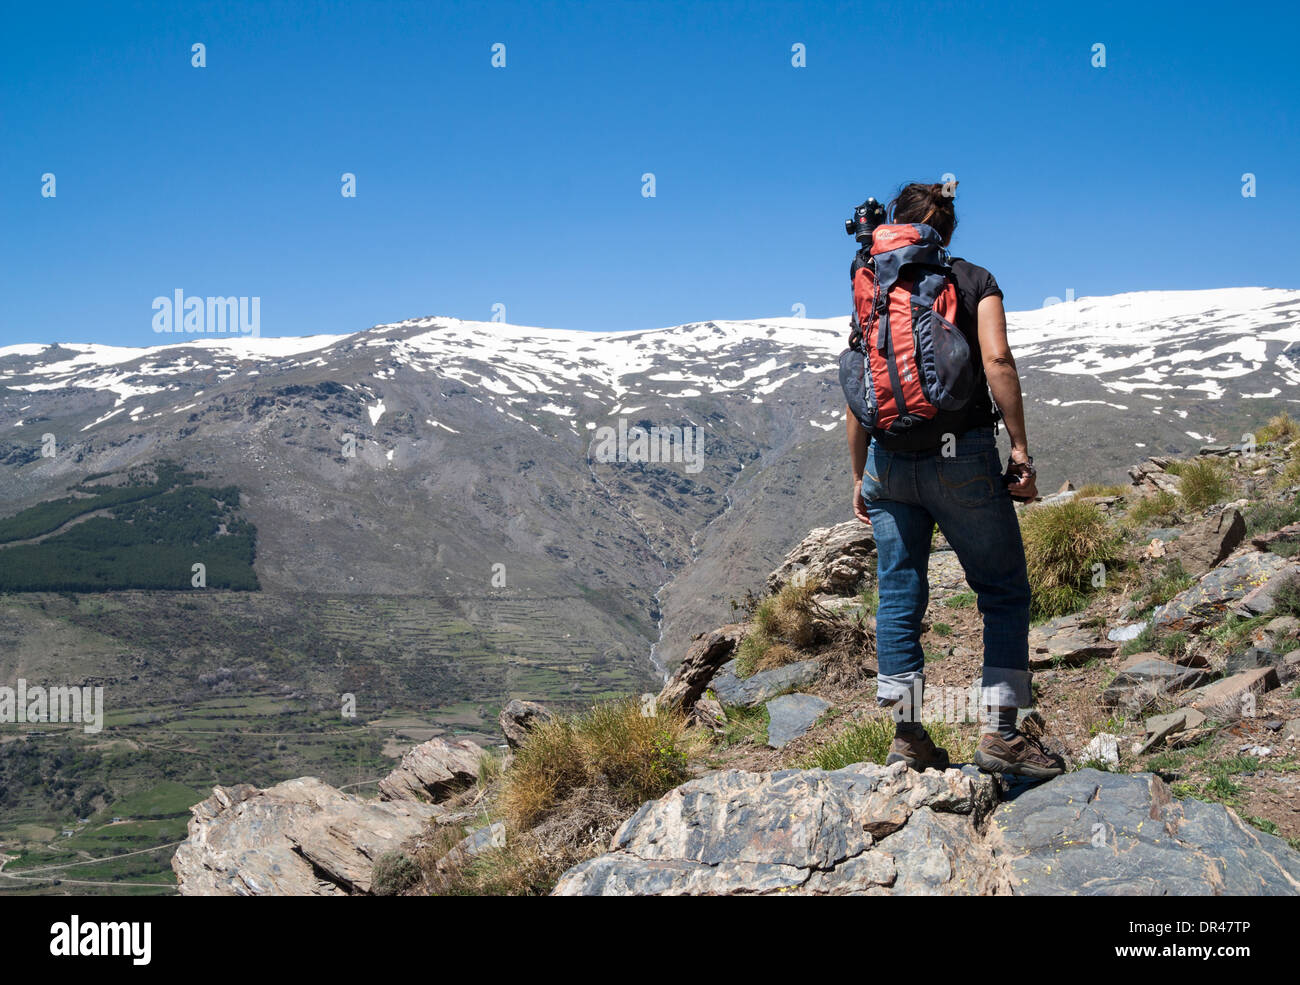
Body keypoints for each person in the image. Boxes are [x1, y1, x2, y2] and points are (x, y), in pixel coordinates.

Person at [846, 182, 1064, 778]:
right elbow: (997, 361)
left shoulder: (873, 282)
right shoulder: (970, 279)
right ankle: (1001, 735)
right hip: (961, 457)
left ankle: (909, 736)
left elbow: (859, 389)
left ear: (895, 223)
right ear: (948, 227)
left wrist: (860, 475)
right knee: (1001, 592)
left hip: (888, 461)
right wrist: (1018, 449)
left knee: (899, 595)